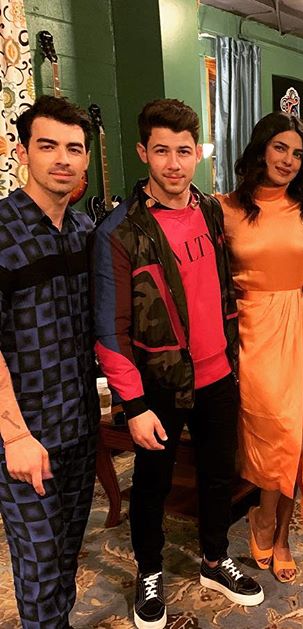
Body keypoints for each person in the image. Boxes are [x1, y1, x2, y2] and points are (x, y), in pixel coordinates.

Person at [92, 99, 263, 629]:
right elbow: (110, 330)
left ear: (198, 154)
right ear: (143, 152)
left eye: (184, 151)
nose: (173, 163)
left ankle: (215, 558)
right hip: (158, 386)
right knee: (153, 485)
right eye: (162, 150)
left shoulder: (212, 211)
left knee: (218, 475)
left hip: (219, 375)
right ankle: (149, 571)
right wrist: (134, 405)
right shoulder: (120, 231)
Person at [0, 95, 97, 629]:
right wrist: (15, 435)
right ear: (23, 153)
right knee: (38, 566)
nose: (62, 158)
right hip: (24, 435)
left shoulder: (86, 233)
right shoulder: (1, 230)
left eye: (74, 148)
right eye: (48, 145)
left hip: (80, 426)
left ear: (85, 160)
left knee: (64, 558)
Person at [217, 112, 303, 584]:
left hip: (298, 324)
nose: (288, 160)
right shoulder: (223, 208)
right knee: (274, 429)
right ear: (261, 148)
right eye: (280, 147)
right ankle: (263, 515)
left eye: (298, 153)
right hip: (250, 328)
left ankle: (278, 532)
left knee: (295, 434)